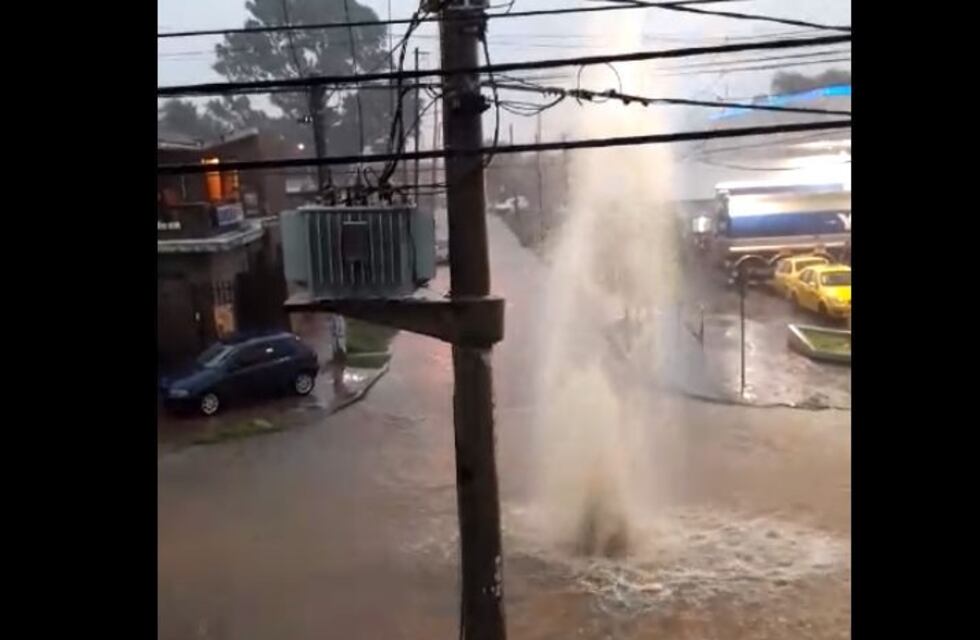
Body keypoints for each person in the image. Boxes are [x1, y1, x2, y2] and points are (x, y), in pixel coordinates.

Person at [328, 314, 350, 398]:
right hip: (338, 344)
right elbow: (334, 332)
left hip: (341, 342)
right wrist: (337, 347)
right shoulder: (334, 318)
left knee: (341, 364)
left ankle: (339, 382)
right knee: (339, 363)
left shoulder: (340, 317)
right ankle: (338, 383)